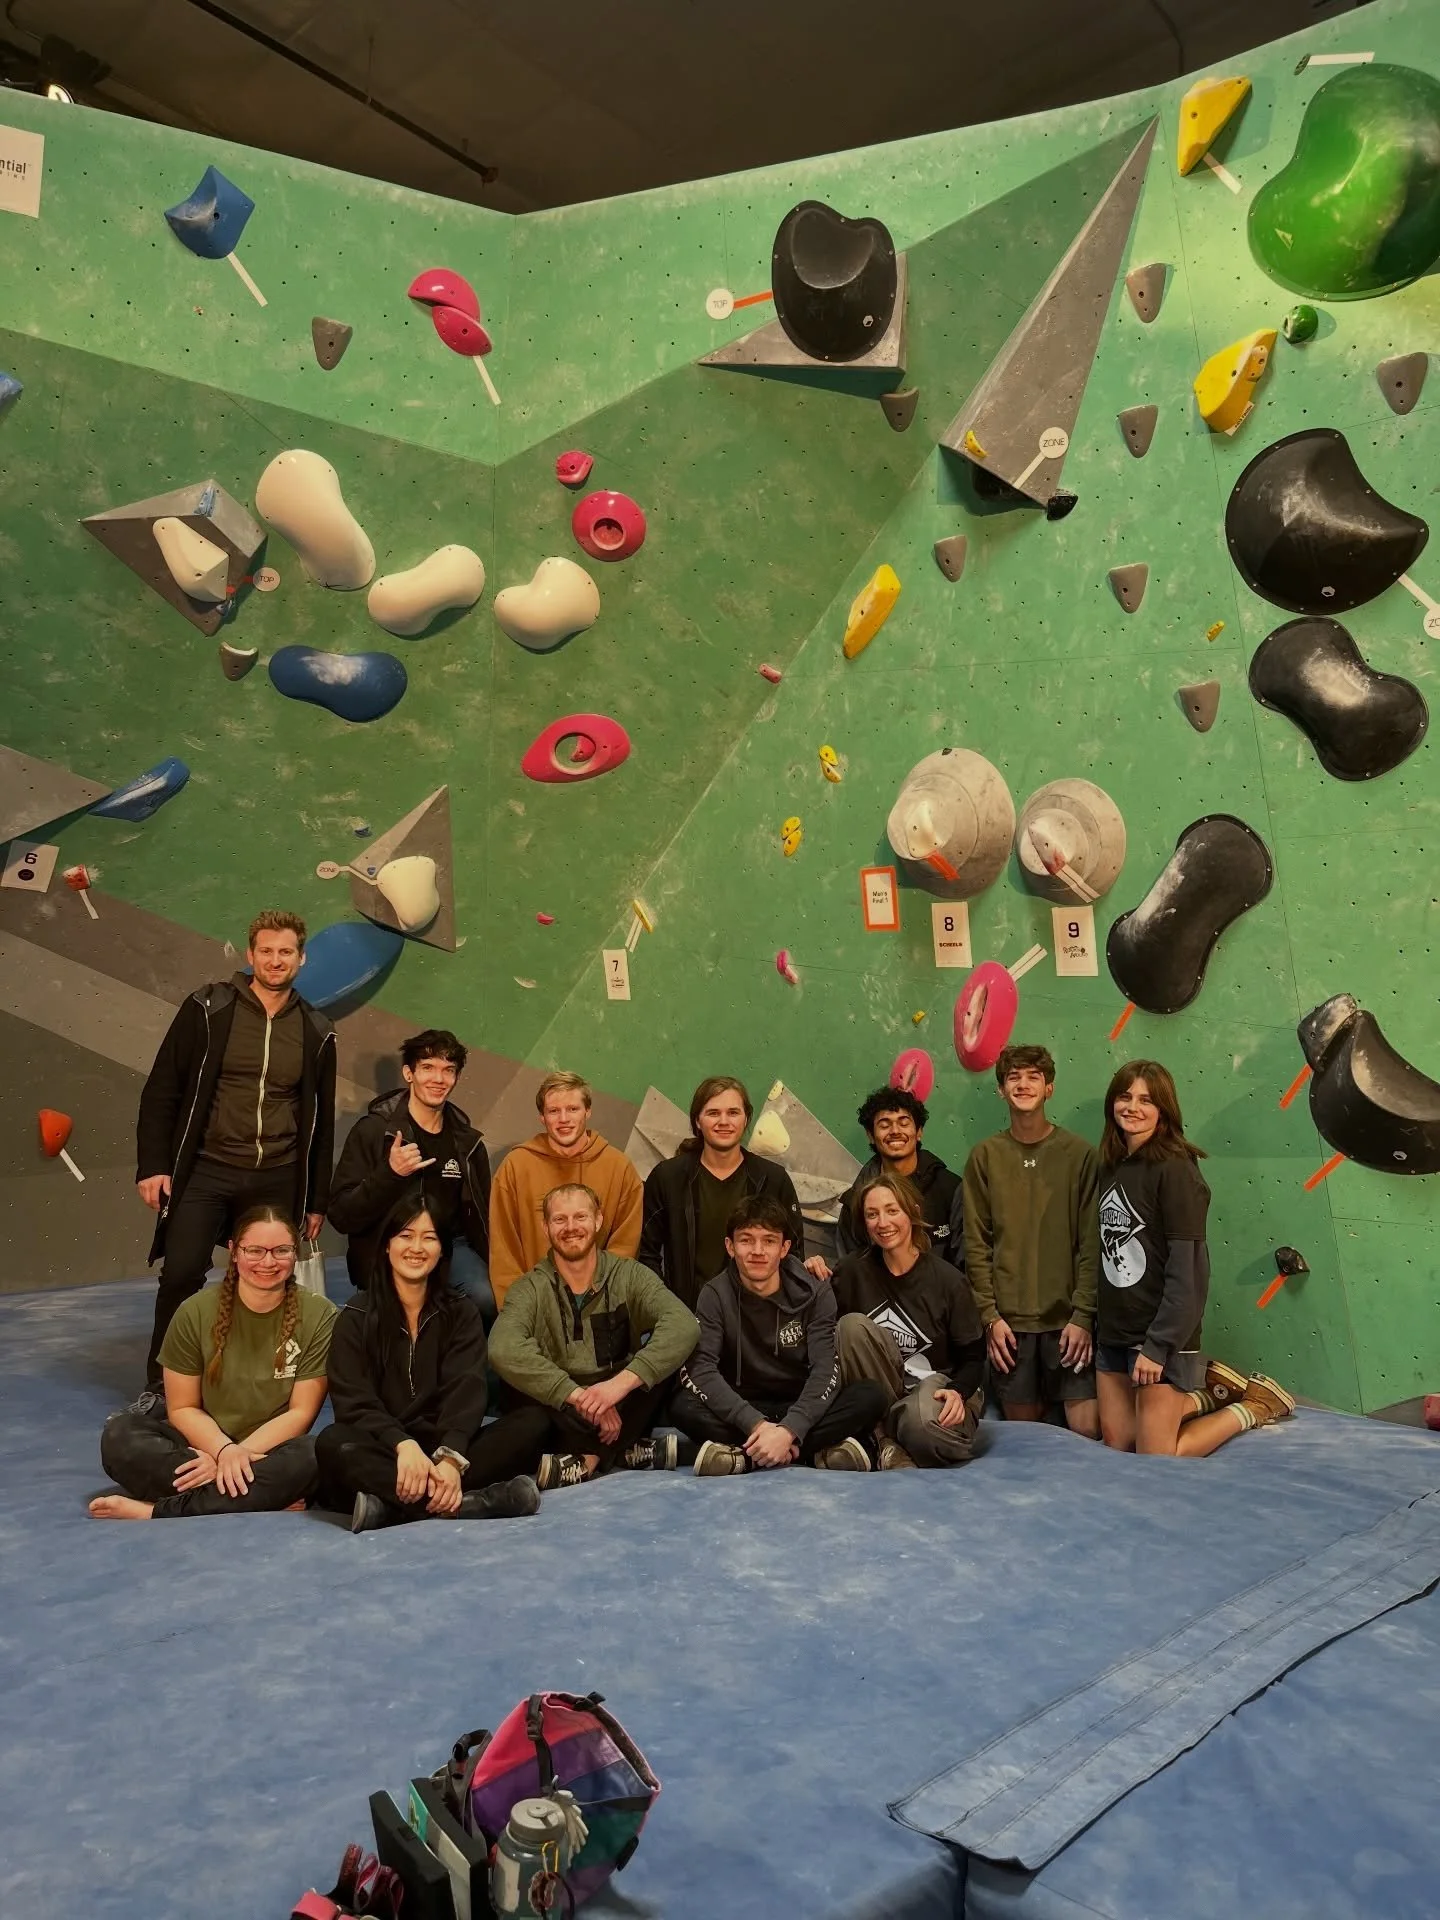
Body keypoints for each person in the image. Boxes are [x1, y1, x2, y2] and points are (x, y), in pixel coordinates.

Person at [131, 910, 336, 1412]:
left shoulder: (316, 1029)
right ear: (250, 955)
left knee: (270, 1279)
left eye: (285, 952)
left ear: (301, 958)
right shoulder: (208, 1007)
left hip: (277, 1175)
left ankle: (263, 1384)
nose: (275, 960)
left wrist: (315, 1198)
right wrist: (153, 1164)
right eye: (266, 950)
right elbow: (163, 1088)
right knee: (181, 1273)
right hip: (207, 1167)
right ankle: (162, 1388)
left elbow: (322, 1121)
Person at [1096, 1061, 1295, 1455]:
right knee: (1118, 1443)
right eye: (1125, 1096)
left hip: (1159, 1335)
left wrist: (1158, 1345)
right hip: (1115, 1331)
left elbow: (1189, 1271)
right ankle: (1209, 1396)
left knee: (1157, 1457)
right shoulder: (1112, 1165)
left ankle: (1251, 1407)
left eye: (1146, 1100)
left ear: (1164, 1110)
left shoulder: (1176, 1169)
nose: (1133, 1107)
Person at [90, 1205, 334, 1521]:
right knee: (120, 1435)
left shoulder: (320, 1315)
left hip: (269, 1452)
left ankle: (158, 1510)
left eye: (281, 1250)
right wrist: (222, 1452)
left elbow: (301, 1412)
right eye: (255, 1250)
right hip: (199, 1449)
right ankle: (262, 1495)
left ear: (295, 1252)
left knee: (316, 1453)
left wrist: (238, 1456)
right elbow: (182, 1408)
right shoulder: (194, 1311)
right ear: (233, 1251)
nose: (268, 1262)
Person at [316, 1199, 546, 1530]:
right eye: (406, 1236)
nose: (417, 1248)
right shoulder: (356, 1317)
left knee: (532, 1423)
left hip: (444, 1446)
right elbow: (354, 1402)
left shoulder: (460, 1311)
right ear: (387, 1245)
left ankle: (392, 1509)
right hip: (387, 1451)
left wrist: (451, 1458)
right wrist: (402, 1444)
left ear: (442, 1250)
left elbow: (466, 1390)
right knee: (332, 1443)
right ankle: (471, 1504)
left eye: (429, 1237)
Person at [489, 1182, 699, 1489]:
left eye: (581, 1217)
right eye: (560, 1219)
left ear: (598, 1220)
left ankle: (590, 1459)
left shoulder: (629, 1275)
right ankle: (624, 1450)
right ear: (545, 1226)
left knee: (665, 1364)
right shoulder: (530, 1288)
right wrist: (581, 1399)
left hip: (620, 1402)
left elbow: (684, 1324)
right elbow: (501, 1348)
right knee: (520, 1389)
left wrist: (616, 1388)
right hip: (562, 1408)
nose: (571, 1227)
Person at [670, 1195, 889, 1474]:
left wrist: (789, 1430)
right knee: (681, 1405)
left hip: (799, 1402)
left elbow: (825, 1369)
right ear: (730, 1246)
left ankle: (741, 1457)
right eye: (746, 1240)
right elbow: (701, 1369)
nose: (757, 1250)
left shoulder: (816, 1291)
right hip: (744, 1405)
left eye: (769, 1241)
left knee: (870, 1396)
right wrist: (757, 1425)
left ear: (784, 1248)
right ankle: (808, 1452)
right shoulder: (713, 1294)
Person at [962, 1044, 1100, 1439]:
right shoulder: (984, 1157)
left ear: (1050, 1088)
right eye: (1013, 1077)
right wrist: (989, 1317)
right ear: (1001, 1091)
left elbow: (1091, 1244)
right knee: (1025, 1441)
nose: (1023, 1084)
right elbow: (977, 1244)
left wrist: (1083, 1316)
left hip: (1069, 1324)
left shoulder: (1079, 1156)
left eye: (1033, 1076)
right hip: (1010, 1327)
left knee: (1087, 1431)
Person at [328, 1029, 493, 1315]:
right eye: (428, 1068)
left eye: (448, 1070)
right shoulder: (374, 1131)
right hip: (389, 1243)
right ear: (409, 1073)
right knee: (403, 1310)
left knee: (485, 1298)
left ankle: (466, 1359)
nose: (438, 1079)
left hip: (449, 1246)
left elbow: (483, 1217)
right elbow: (342, 1215)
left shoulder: (467, 1143)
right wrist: (390, 1173)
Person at [830, 1172, 987, 1469]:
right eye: (872, 1214)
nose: (883, 1223)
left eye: (892, 1210)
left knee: (923, 1425)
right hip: (883, 1394)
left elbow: (974, 1357)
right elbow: (825, 1337)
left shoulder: (949, 1280)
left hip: (937, 1386)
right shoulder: (851, 1272)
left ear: (912, 1212)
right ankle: (884, 1437)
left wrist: (958, 1391)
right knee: (850, 1325)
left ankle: (887, 1438)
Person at [639, 1076, 805, 1308]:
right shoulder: (667, 1178)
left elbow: (793, 1254)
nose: (723, 1121)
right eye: (713, 1113)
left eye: (733, 1113)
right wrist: (666, 1308)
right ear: (698, 1120)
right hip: (685, 1316)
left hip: (755, 1317)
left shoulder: (774, 1179)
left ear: (746, 1118)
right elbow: (646, 1255)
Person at [488, 1072, 643, 1311]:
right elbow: (504, 1249)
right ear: (542, 1117)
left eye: (572, 1109)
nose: (564, 1119)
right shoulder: (516, 1166)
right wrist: (518, 1309)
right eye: (553, 1111)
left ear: (587, 1112)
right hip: (534, 1307)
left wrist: (599, 1302)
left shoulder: (619, 1168)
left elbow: (625, 1246)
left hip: (599, 1307)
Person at [808, 1085, 965, 1278]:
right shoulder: (856, 1199)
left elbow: (967, 1261)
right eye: (884, 1124)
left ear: (919, 1132)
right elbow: (849, 1271)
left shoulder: (950, 1188)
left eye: (904, 1122)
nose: (895, 1131)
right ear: (871, 1136)